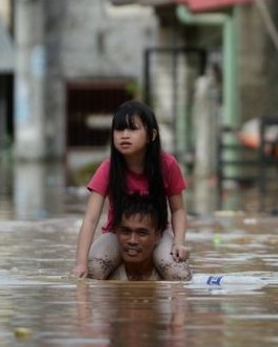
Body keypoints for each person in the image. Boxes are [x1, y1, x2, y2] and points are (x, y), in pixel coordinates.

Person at [71, 100, 191, 281]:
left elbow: (178, 209)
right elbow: (90, 219)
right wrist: (80, 263)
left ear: (151, 135)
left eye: (133, 129)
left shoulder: (167, 165)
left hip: (156, 235)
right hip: (117, 234)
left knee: (178, 274)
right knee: (93, 270)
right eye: (119, 130)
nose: (124, 135)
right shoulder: (108, 168)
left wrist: (179, 242)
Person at [108, 193, 168, 281]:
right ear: (116, 231)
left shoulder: (170, 277)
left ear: (157, 236)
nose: (132, 241)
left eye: (142, 233)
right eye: (126, 232)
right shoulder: (104, 275)